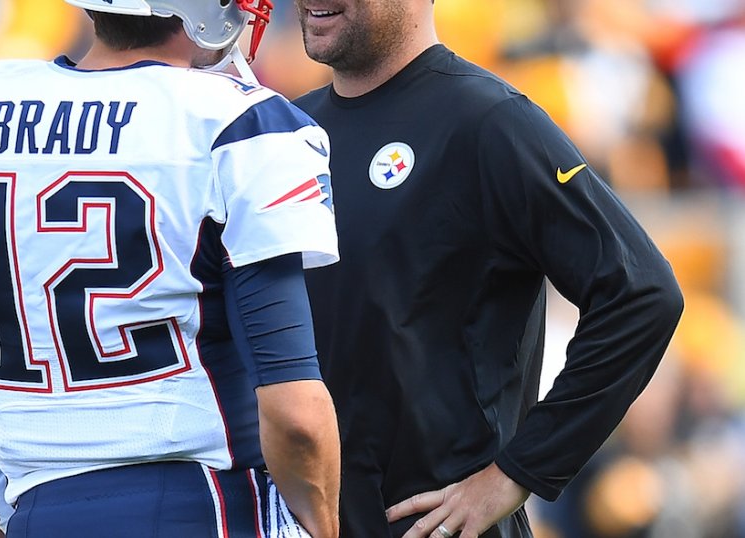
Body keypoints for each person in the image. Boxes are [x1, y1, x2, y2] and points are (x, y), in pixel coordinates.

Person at [0, 1, 342, 536]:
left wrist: (21, 510)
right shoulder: (234, 121)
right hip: (205, 504)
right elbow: (295, 414)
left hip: (43, 509)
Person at [291, 1, 685, 538]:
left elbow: (642, 293)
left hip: (431, 524)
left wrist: (517, 472)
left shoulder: (488, 119)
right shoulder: (286, 130)